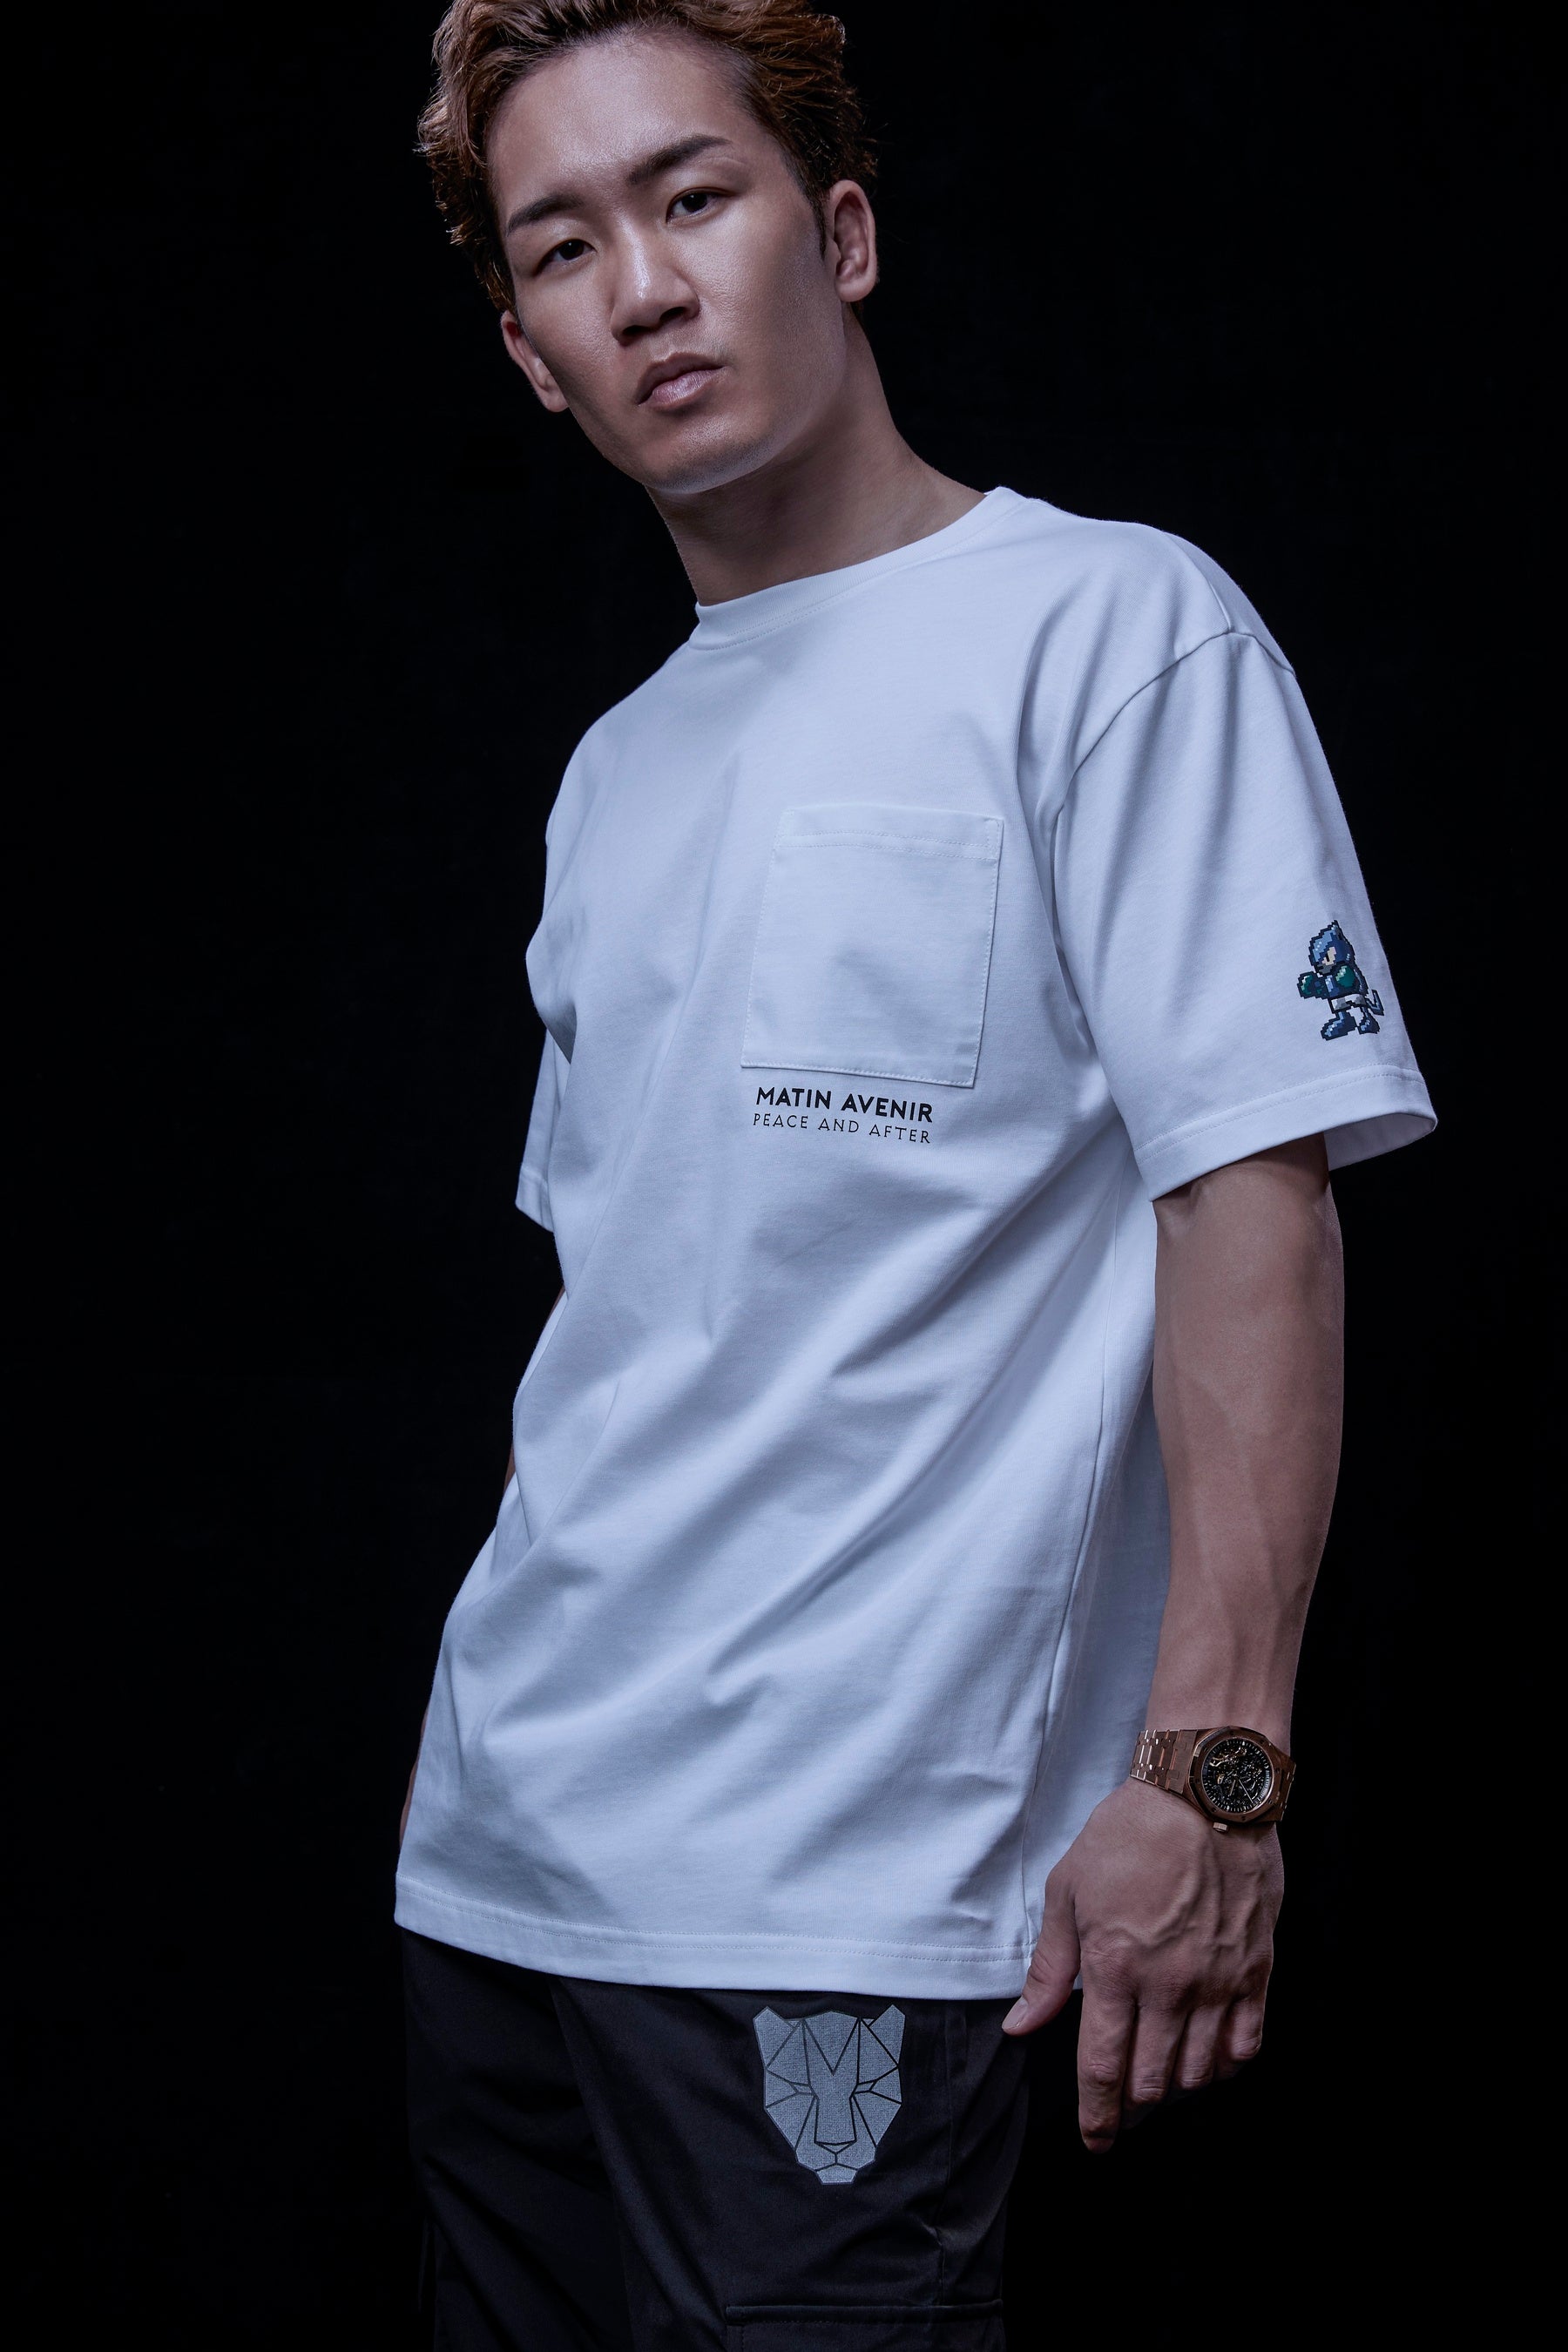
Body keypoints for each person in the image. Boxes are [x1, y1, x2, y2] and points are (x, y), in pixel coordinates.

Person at [395, 4, 1434, 2343]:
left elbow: (1251, 1211)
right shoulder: (615, 767)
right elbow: (642, 1323)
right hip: (501, 1861)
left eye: (695, 197)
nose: (647, 286)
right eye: (565, 248)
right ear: (533, 357)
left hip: (842, 1895)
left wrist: (1219, 1781)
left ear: (841, 234)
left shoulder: (1111, 632)